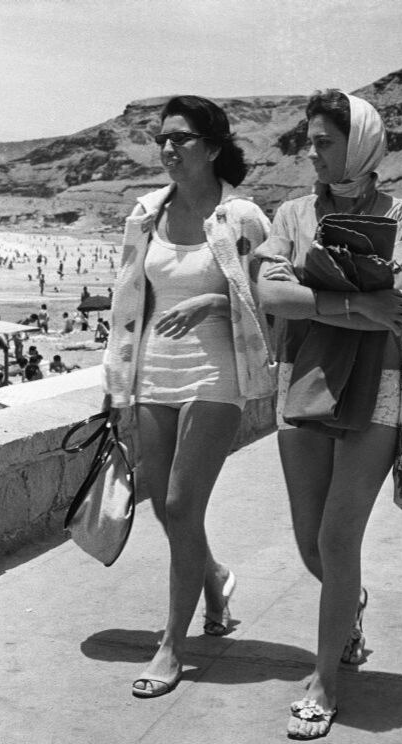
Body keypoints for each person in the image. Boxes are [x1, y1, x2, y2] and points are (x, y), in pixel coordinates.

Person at [256, 89, 402, 740]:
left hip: (377, 382)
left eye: (324, 142)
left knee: (336, 538)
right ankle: (348, 603)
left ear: (359, 146)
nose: (312, 154)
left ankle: (325, 680)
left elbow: (399, 306)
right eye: (310, 142)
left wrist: (316, 296)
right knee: (308, 540)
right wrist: (354, 305)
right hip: (304, 377)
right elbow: (271, 293)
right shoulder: (292, 213)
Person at [102, 95, 275, 701]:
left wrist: (215, 301)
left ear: (213, 146)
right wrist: (116, 382)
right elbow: (130, 301)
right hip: (155, 367)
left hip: (217, 371)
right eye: (162, 139)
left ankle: (172, 646)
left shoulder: (241, 216)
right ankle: (216, 578)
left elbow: (272, 296)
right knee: (165, 506)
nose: (168, 149)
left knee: (181, 503)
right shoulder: (146, 213)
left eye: (181, 138)